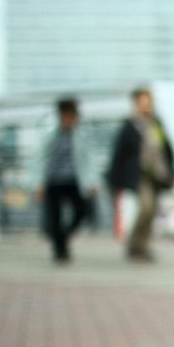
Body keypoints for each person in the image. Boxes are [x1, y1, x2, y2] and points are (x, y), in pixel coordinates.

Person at [108, 86, 174, 262]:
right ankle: (134, 244)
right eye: (143, 103)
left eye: (149, 103)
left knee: (152, 210)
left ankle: (142, 245)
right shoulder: (129, 126)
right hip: (139, 174)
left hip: (157, 174)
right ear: (136, 104)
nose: (147, 107)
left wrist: (171, 172)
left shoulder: (156, 124)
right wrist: (114, 179)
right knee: (146, 207)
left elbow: (166, 149)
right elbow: (119, 154)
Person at [33, 97, 97, 263]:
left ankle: (63, 236)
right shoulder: (49, 135)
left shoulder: (81, 136)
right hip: (53, 181)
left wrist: (92, 182)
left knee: (82, 211)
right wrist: (38, 184)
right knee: (54, 217)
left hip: (74, 181)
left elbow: (89, 160)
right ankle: (60, 250)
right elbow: (39, 159)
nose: (69, 119)